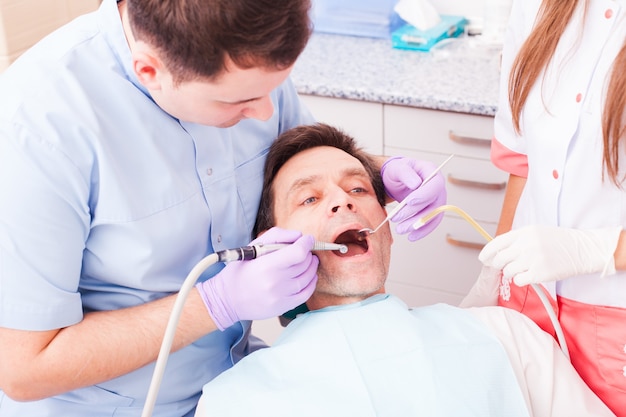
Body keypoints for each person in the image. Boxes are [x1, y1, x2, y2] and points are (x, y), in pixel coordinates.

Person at [0, 1, 447, 416]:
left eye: (272, 88)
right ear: (150, 72)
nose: (265, 111)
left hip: (235, 386)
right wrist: (215, 303)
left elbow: (303, 164)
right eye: (237, 102)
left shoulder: (241, 55)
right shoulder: (37, 131)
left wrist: (380, 171)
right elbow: (23, 369)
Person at [194, 123, 615, 417]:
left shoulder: (507, 335)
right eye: (309, 199)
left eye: (358, 188)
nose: (343, 201)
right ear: (270, 247)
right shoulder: (234, 400)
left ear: (387, 227)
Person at [473, 0, 626, 414]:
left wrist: (598, 250)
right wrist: (496, 276)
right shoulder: (538, 6)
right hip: (527, 301)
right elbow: (522, 162)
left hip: (616, 326)